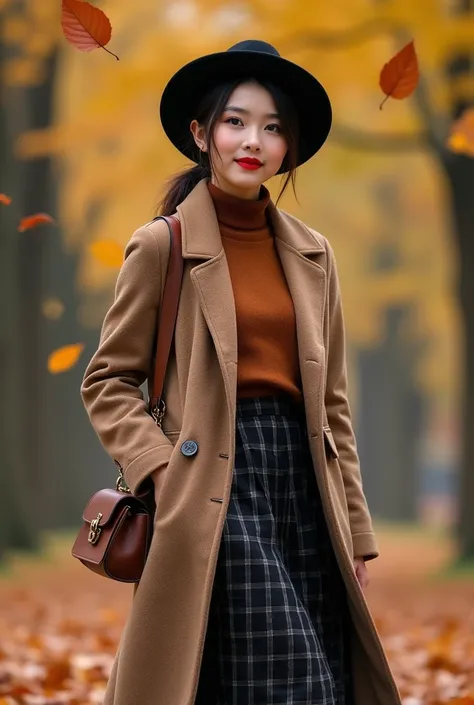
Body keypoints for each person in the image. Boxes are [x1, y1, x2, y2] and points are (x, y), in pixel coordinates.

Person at [81, 39, 401, 705]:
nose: (253, 140)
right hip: (214, 478)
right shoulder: (161, 245)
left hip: (306, 483)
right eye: (235, 121)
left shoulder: (316, 254)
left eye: (273, 126)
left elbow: (333, 405)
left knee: (299, 675)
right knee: (286, 678)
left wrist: (356, 530)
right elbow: (108, 380)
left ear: (289, 146)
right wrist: (165, 470)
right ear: (202, 134)